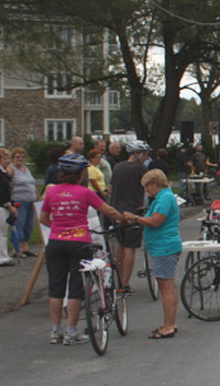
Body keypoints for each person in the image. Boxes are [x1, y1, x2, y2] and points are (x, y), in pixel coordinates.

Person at [38, 154, 124, 345]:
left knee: (56, 287)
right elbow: (106, 209)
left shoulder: (52, 192)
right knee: (75, 288)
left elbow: (43, 219)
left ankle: (55, 331)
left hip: (56, 242)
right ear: (80, 174)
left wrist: (60, 228)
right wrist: (123, 217)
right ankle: (72, 332)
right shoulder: (84, 192)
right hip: (79, 243)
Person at [123, 169, 182, 339]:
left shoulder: (164, 197)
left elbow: (156, 221)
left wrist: (135, 218)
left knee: (166, 287)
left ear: (155, 183)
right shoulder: (164, 196)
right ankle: (170, 322)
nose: (146, 190)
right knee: (168, 286)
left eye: (147, 187)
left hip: (164, 246)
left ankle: (168, 326)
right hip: (164, 245)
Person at [109, 140, 149, 293]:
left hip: (117, 209)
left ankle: (118, 279)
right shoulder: (141, 169)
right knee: (130, 247)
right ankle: (125, 283)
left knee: (120, 244)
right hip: (133, 210)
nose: (146, 157)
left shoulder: (118, 167)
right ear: (137, 154)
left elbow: (111, 188)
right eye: (144, 154)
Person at [9, 147, 39, 258]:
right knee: (19, 225)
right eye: (17, 157)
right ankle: (15, 249)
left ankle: (25, 247)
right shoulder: (11, 170)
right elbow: (7, 184)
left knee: (29, 225)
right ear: (13, 158)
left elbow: (32, 184)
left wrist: (37, 197)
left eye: (22, 157)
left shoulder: (26, 169)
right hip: (19, 201)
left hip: (31, 200)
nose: (20, 159)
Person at [0, 148, 15, 267]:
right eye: (4, 159)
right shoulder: (1, 174)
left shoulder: (4, 173)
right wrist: (9, 206)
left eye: (8, 158)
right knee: (2, 233)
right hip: (2, 206)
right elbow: (3, 193)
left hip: (3, 205)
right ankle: (2, 257)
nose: (7, 161)